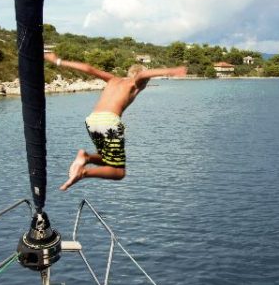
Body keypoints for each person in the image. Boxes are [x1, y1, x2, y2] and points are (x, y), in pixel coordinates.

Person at [44, 52, 187, 191]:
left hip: (92, 120)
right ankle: (84, 172)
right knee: (119, 172)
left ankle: (86, 157)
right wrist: (171, 71)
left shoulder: (113, 79)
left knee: (106, 159)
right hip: (109, 122)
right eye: (146, 81)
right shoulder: (135, 83)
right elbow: (142, 75)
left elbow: (89, 69)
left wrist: (57, 61)